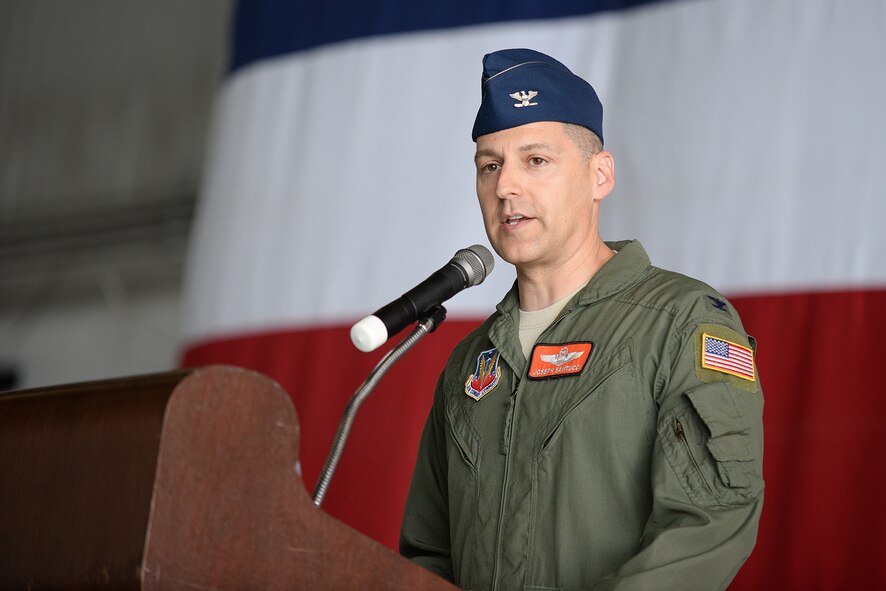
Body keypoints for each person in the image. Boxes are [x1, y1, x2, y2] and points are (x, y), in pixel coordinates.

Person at [399, 48, 764, 590]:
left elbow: (708, 524)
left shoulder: (680, 324)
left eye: (536, 160)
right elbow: (428, 553)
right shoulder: (470, 363)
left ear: (600, 175)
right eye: (489, 166)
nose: (505, 187)